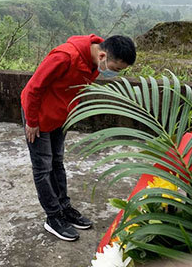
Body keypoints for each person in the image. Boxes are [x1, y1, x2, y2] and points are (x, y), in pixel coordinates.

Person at [20, 34, 136, 241]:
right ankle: (53, 217)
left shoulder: (93, 62)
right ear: (102, 55)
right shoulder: (64, 57)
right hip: (37, 116)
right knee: (42, 168)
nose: (114, 73)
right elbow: (32, 88)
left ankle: (64, 208)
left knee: (57, 162)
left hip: (59, 116)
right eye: (115, 68)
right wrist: (31, 121)